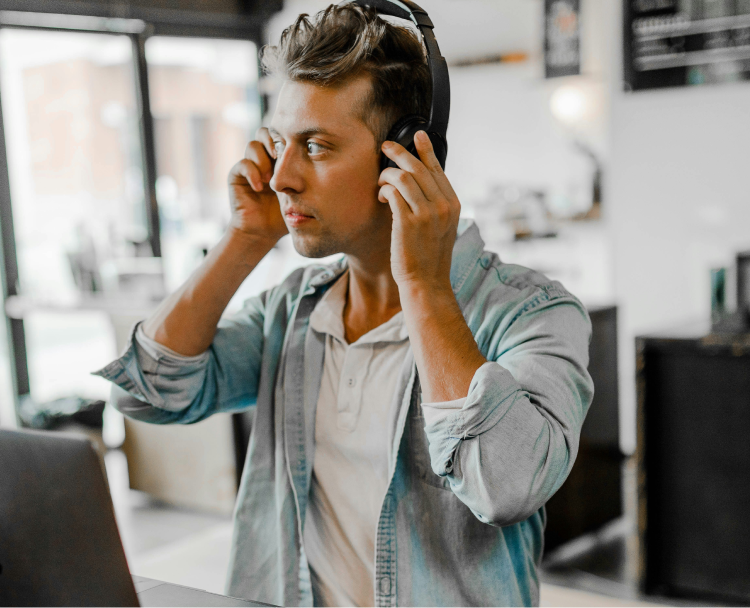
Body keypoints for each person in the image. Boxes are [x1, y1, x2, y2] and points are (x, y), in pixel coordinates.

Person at [95, 4, 593, 607]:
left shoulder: (532, 314)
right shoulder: (293, 312)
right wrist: (244, 240)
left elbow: (508, 486)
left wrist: (426, 288)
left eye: (317, 147)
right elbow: (146, 391)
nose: (281, 177)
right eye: (280, 143)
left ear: (407, 155)